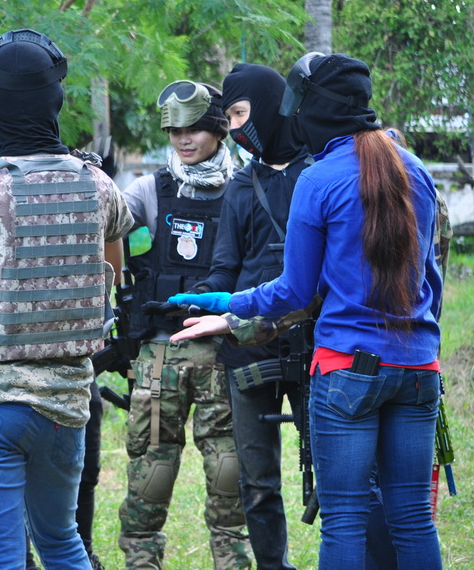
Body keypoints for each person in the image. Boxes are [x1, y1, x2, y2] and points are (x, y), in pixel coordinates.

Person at [168, 54, 443, 569]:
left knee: (344, 519)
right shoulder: (416, 170)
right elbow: (432, 280)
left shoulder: (318, 180)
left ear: (314, 111)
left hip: (347, 370)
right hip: (418, 368)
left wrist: (227, 307)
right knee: (412, 517)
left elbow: (293, 292)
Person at [0, 28, 133, 569]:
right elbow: (111, 279)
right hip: (68, 405)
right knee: (62, 541)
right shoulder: (99, 186)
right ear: (54, 102)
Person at [117, 79, 251, 570]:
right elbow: (106, 225)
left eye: (193, 129)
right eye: (174, 131)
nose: (183, 139)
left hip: (224, 351)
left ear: (218, 129)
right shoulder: (149, 190)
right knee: (150, 474)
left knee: (229, 474)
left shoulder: (245, 188)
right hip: (161, 353)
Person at [197, 63, 312, 570]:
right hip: (248, 345)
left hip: (315, 344)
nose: (237, 128)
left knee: (335, 474)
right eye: (230, 119)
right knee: (258, 481)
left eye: (242, 113)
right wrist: (201, 299)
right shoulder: (242, 185)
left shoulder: (318, 174)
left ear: (270, 106)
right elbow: (226, 267)